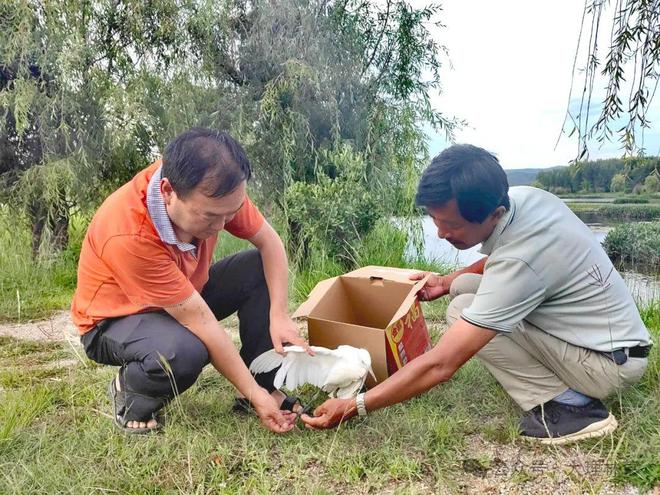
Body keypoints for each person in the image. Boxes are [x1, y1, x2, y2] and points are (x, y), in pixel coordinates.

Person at [302, 144, 652, 444]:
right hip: (607, 339)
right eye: (434, 220)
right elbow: (503, 261)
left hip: (607, 364)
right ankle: (557, 387)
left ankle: (570, 408)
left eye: (451, 225)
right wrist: (445, 281)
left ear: (494, 213)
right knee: (463, 289)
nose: (440, 234)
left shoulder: (521, 257)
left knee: (463, 311)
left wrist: (356, 404)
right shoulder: (524, 199)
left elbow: (442, 364)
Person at [72, 128, 311, 434]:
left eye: (231, 213)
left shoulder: (220, 191)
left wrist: (279, 315)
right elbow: (201, 323)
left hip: (183, 295)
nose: (223, 224)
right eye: (211, 217)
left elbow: (270, 244)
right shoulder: (128, 231)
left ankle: (264, 382)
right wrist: (255, 395)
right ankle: (132, 391)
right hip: (115, 320)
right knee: (185, 352)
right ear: (169, 191)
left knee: (257, 267)